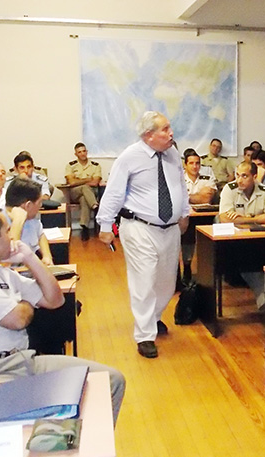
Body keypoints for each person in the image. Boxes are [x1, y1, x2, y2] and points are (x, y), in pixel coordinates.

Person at [0, 205, 125, 425]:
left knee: (110, 380)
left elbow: (55, 300)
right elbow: (18, 319)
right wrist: (24, 303)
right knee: (43, 420)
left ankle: (84, 447)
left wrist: (30, 258)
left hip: (21, 361)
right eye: (7, 231)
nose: (11, 237)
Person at [97, 111, 189, 359]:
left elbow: (180, 184)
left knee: (167, 283)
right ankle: (145, 335)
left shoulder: (173, 154)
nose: (171, 133)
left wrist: (185, 212)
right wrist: (106, 225)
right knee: (144, 281)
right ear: (149, 135)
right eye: (165, 129)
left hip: (170, 229)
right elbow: (114, 192)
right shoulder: (129, 157)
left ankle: (154, 317)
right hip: (139, 227)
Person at [219, 161, 265, 308]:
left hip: (258, 240)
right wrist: (257, 218)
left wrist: (241, 219)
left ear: (255, 176)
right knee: (248, 260)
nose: (239, 180)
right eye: (238, 175)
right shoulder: (229, 189)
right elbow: (224, 218)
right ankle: (264, 298)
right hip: (231, 242)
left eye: (244, 176)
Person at [5, 178, 53, 266]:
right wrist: (18, 222)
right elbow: (11, 254)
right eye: (39, 202)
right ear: (28, 205)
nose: (41, 206)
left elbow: (41, 235)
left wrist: (47, 256)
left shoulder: (32, 219)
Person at [65, 142, 102, 241]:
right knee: (84, 187)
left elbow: (95, 182)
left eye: (84, 151)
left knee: (84, 198)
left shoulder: (95, 166)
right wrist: (86, 180)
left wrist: (79, 180)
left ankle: (84, 228)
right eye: (79, 152)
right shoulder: (71, 165)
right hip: (74, 193)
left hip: (90, 193)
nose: (82, 154)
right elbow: (71, 182)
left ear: (87, 152)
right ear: (76, 154)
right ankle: (95, 206)